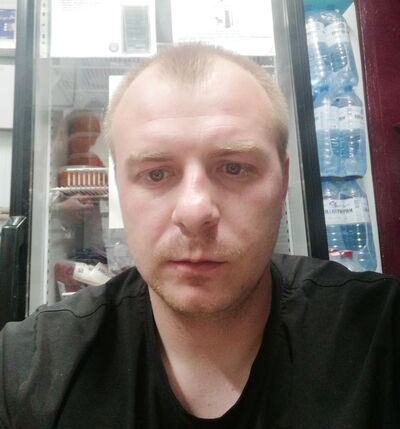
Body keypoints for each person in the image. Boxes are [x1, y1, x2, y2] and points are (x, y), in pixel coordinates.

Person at [0, 43, 399, 428]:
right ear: (119, 189)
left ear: (283, 184)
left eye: (234, 168)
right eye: (156, 174)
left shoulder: (379, 337)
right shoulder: (28, 367)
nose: (194, 212)